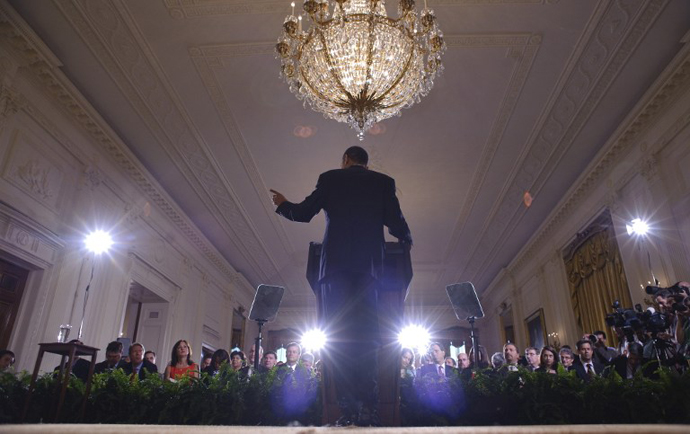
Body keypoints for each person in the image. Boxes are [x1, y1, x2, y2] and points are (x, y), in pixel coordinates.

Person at [271, 146, 412, 427]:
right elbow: (396, 222)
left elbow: (304, 213)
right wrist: (406, 240)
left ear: (345, 160)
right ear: (367, 165)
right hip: (369, 270)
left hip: (334, 270)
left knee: (340, 340)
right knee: (367, 339)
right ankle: (368, 411)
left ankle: (347, 410)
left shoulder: (330, 179)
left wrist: (283, 204)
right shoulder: (383, 182)